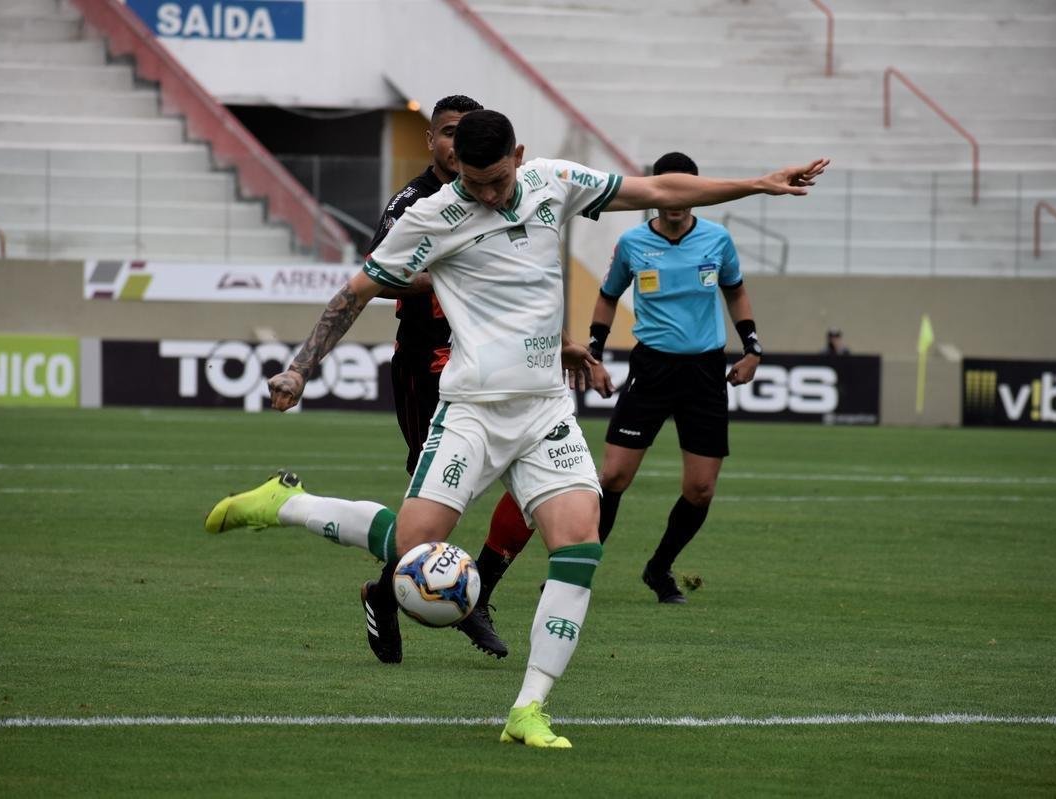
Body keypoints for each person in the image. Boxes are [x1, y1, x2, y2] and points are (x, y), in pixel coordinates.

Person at [206, 111, 828, 748]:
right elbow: (355, 291)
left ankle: (528, 709)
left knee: (580, 541)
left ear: (519, 156)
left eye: (497, 179)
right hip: (472, 409)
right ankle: (287, 502)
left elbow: (659, 190)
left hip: (545, 410)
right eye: (474, 182)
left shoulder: (553, 181)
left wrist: (759, 183)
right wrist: (298, 367)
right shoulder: (432, 219)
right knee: (412, 548)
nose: (487, 194)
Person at [362, 94, 533, 662]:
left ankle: (476, 592)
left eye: (465, 133)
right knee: (434, 510)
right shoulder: (413, 202)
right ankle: (387, 596)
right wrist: (447, 277)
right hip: (426, 364)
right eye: (446, 133)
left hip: (498, 361)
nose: (455, 143)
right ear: (431, 141)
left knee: (536, 495)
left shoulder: (503, 191)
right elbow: (379, 276)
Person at [589, 151, 763, 605]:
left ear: (697, 193)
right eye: (667, 188)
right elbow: (607, 297)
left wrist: (752, 348)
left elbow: (736, 290)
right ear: (655, 192)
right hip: (651, 369)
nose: (676, 199)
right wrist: (594, 354)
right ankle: (577, 570)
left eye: (686, 189)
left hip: (705, 371)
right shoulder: (631, 244)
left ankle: (658, 568)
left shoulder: (717, 240)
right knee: (612, 478)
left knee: (701, 489)